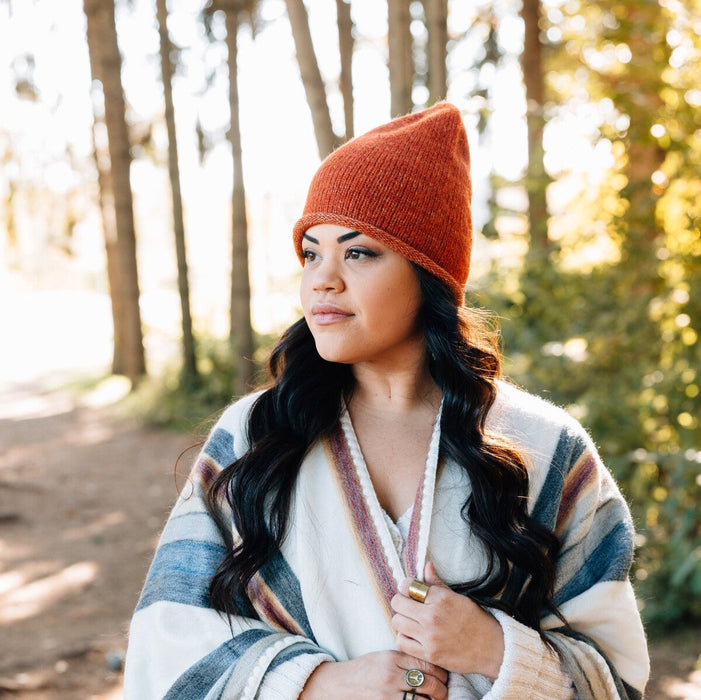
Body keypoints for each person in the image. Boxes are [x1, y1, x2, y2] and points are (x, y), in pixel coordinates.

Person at [124, 102, 649, 699]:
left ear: (430, 274)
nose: (322, 279)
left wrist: (495, 648)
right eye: (310, 252)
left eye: (358, 252)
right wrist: (319, 684)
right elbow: (166, 636)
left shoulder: (547, 448)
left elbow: (619, 676)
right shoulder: (256, 433)